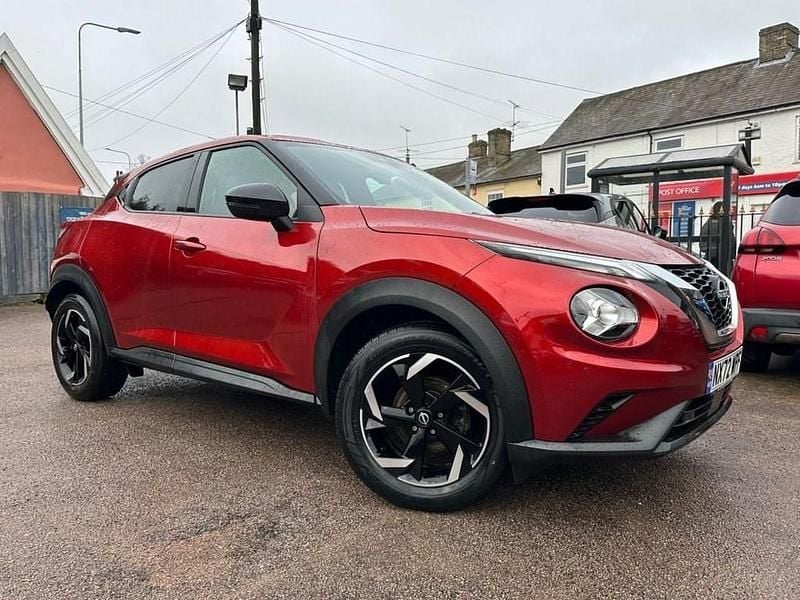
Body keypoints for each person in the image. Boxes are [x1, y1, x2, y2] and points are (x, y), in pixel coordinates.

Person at [699, 201, 736, 269]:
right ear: (721, 209)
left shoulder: (709, 222)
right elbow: (730, 240)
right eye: (730, 207)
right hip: (722, 256)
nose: (732, 209)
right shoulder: (724, 222)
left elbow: (702, 240)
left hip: (712, 255)